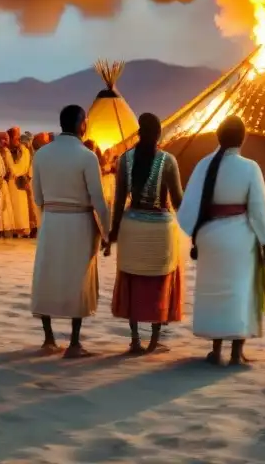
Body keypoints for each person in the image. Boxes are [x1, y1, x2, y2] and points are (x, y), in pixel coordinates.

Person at [177, 115, 265, 367]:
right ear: (242, 139)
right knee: (240, 293)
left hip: (210, 237)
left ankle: (216, 350)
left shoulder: (204, 165)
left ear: (218, 136)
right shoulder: (249, 167)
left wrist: (196, 236)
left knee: (215, 293)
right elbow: (258, 210)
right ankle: (236, 353)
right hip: (239, 237)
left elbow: (189, 206)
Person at [30, 105, 110, 359]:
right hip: (78, 222)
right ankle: (74, 342)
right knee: (78, 278)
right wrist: (108, 232)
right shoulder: (87, 156)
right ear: (81, 124)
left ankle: (48, 338)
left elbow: (37, 196)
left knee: (48, 274)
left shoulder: (41, 154)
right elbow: (98, 199)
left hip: (52, 221)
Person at [109, 113, 185, 354]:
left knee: (133, 281)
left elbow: (119, 201)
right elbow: (178, 199)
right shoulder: (168, 160)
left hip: (132, 226)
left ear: (139, 132)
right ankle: (153, 340)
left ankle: (134, 339)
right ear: (159, 134)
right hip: (160, 229)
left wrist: (113, 233)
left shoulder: (125, 160)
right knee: (157, 284)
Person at [7, 127, 32, 237]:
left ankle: (23, 230)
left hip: (21, 181)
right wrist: (16, 172)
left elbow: (26, 165)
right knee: (15, 206)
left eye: (18, 135)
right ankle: (15, 230)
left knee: (22, 206)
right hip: (13, 181)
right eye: (15, 136)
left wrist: (25, 175)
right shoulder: (7, 151)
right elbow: (11, 168)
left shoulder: (24, 150)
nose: (17, 138)